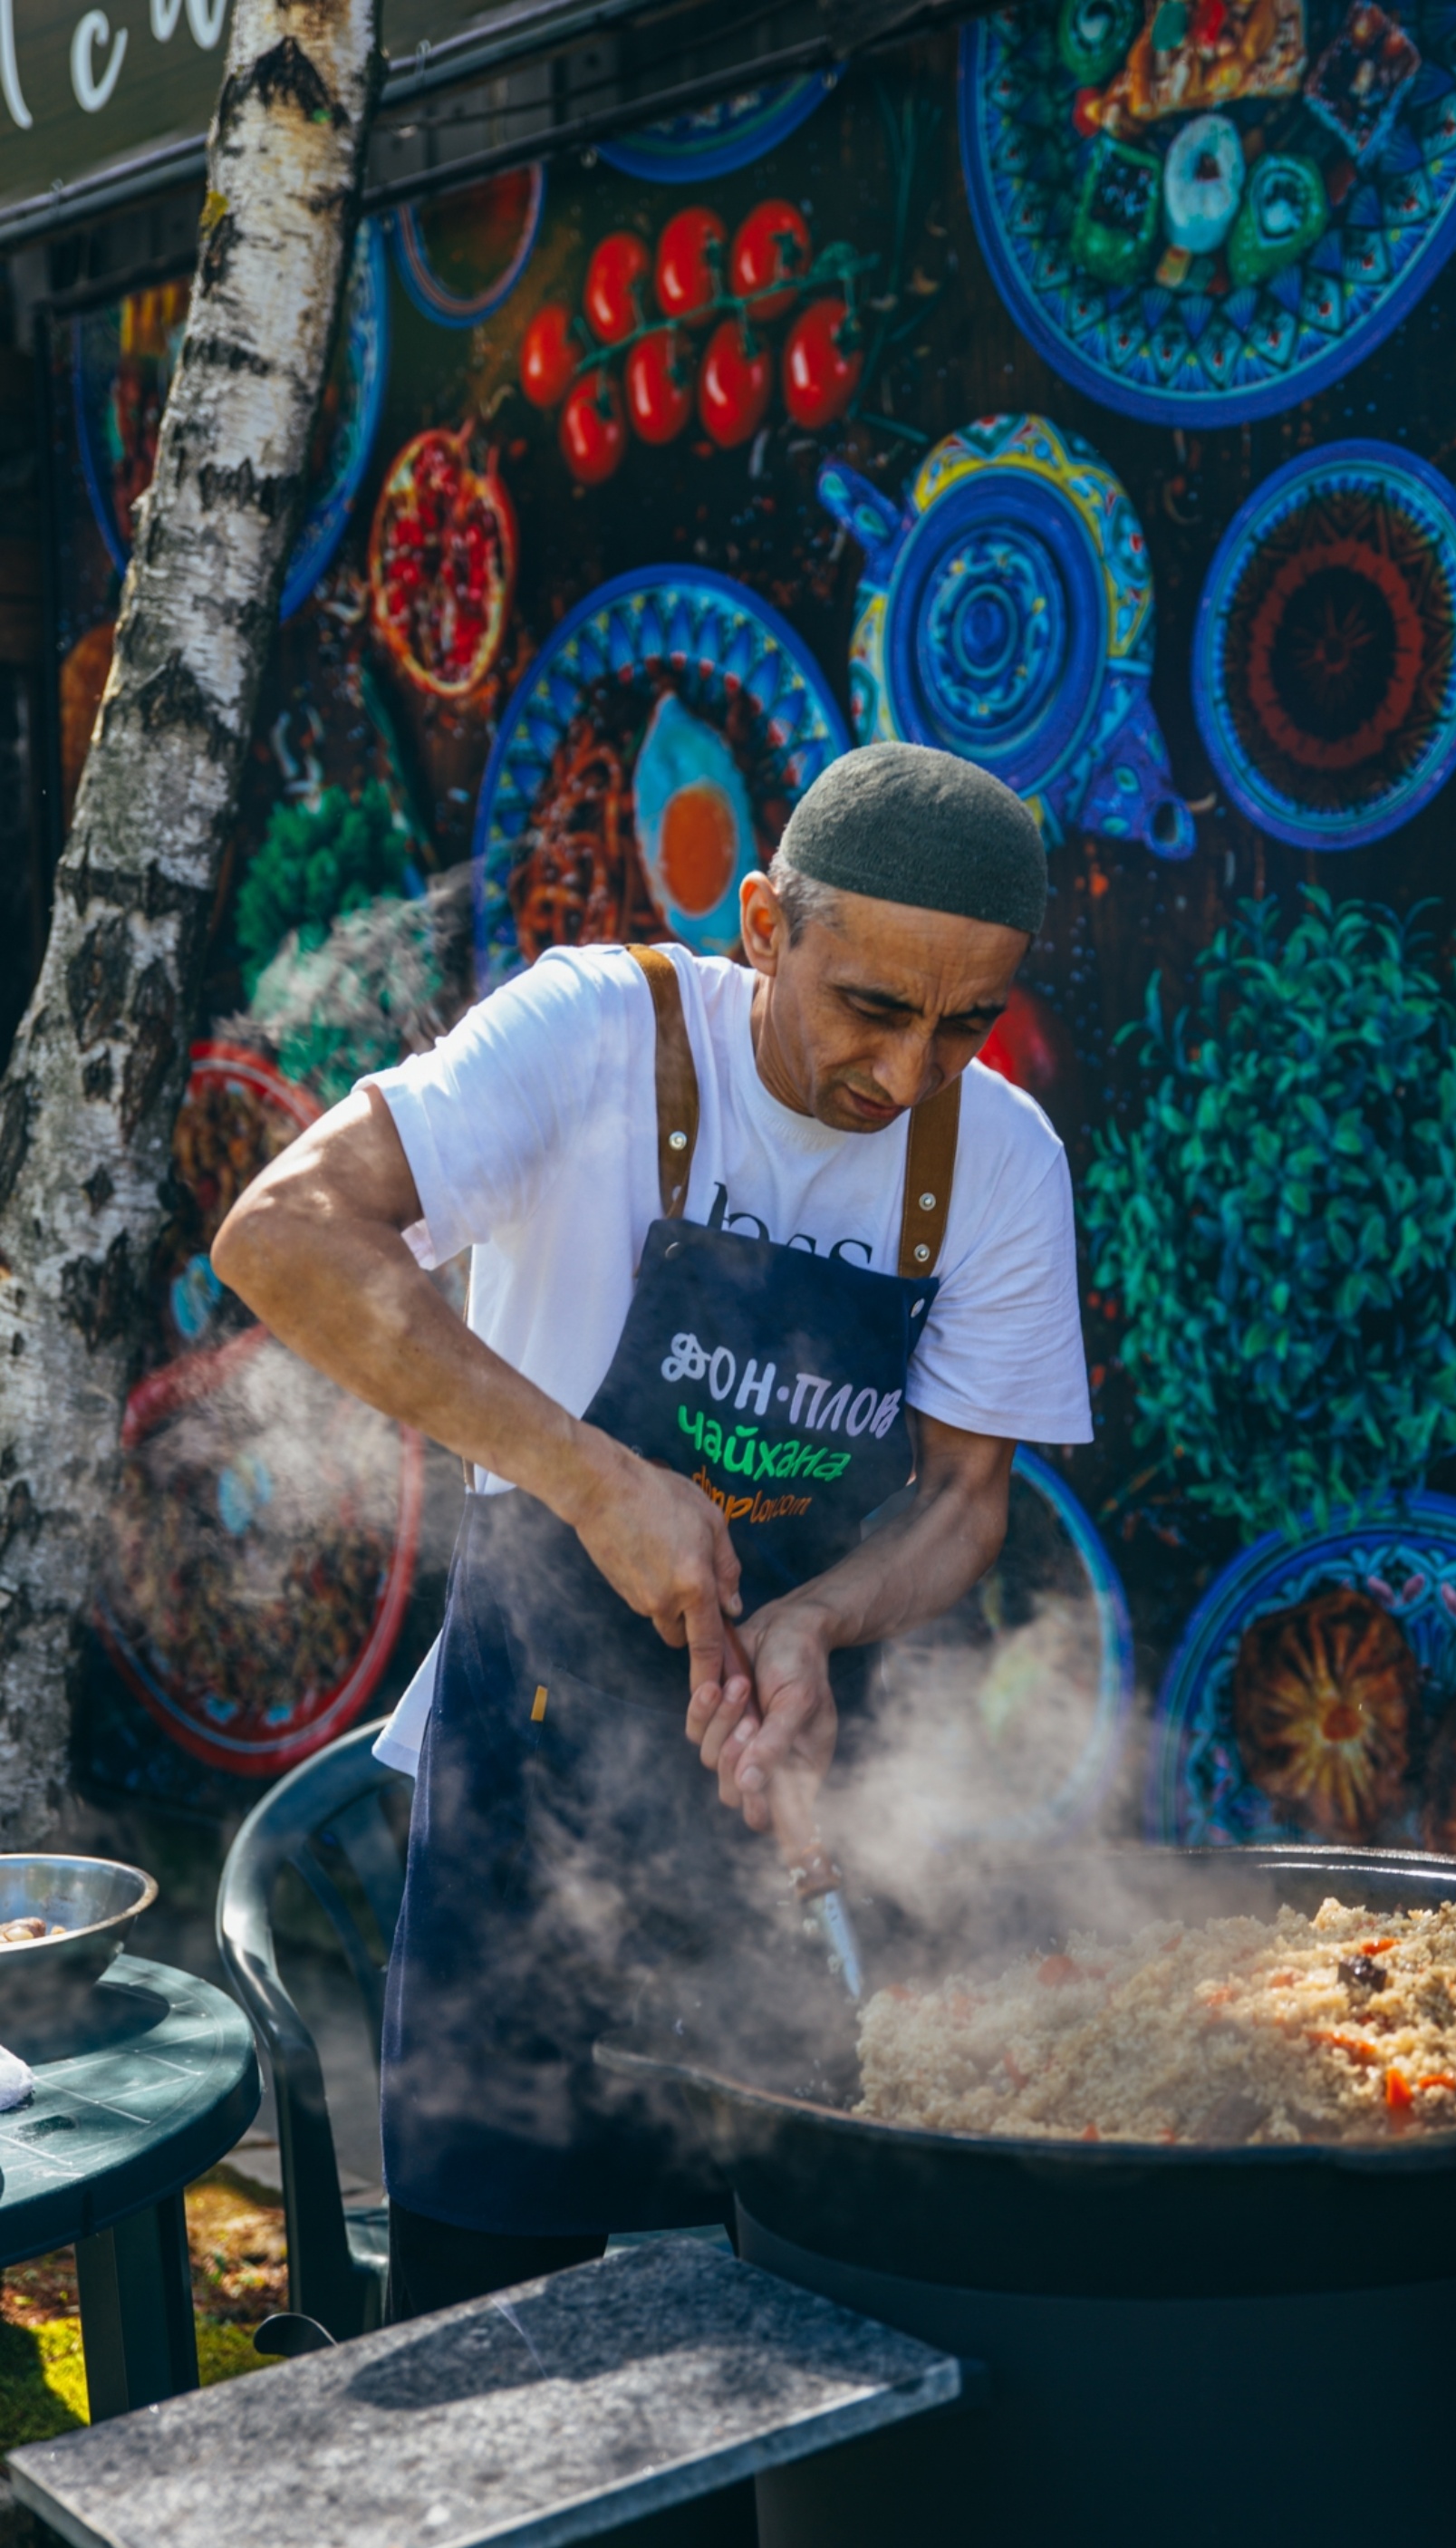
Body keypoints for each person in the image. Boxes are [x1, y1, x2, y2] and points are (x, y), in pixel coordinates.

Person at [214, 741, 1092, 2321]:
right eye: (871, 1009)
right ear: (763, 923)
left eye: (963, 1024)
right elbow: (283, 1233)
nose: (906, 1078)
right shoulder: (594, 1036)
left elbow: (966, 1504)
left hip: (797, 1800)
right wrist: (595, 1479)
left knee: (800, 2305)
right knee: (494, 2330)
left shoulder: (1003, 1163)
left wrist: (819, 1620)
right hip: (520, 1794)